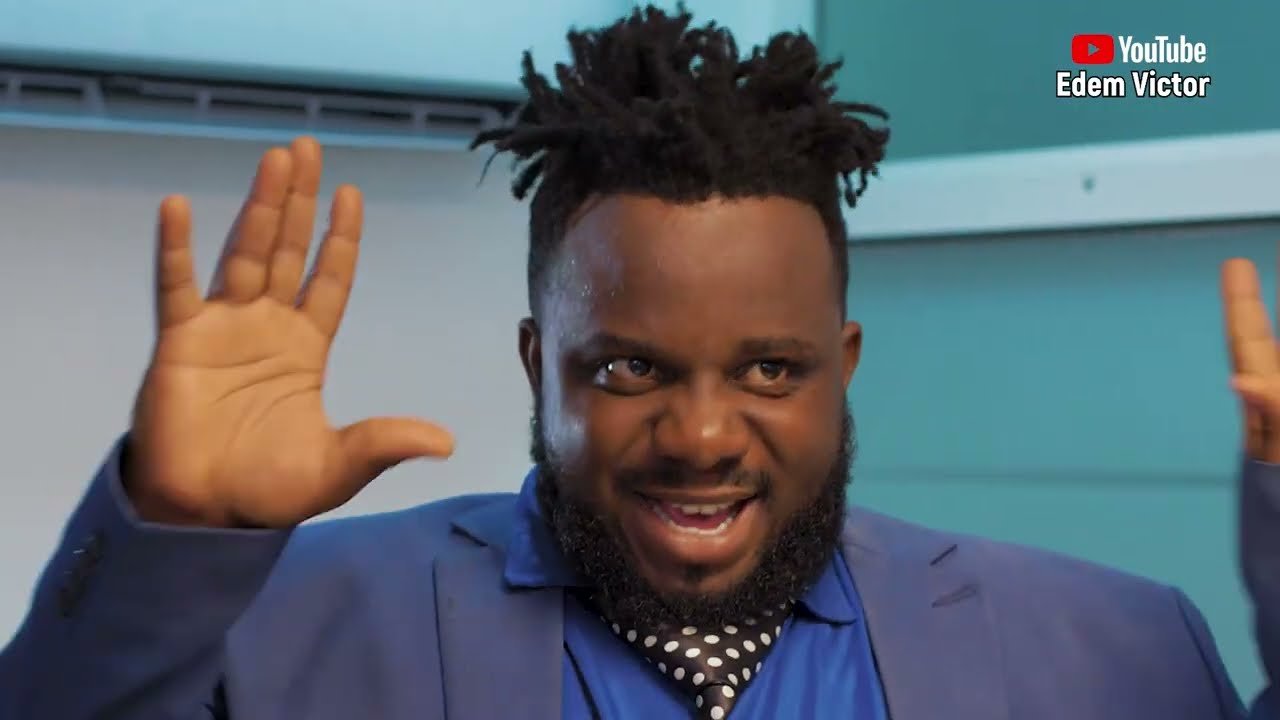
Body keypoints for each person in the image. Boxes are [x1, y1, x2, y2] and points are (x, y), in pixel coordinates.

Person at [0, 6, 1276, 719]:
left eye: (768, 371)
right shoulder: (273, 630)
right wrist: (171, 529)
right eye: (629, 372)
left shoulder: (1116, 648)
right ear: (536, 365)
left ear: (841, 365)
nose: (702, 437)